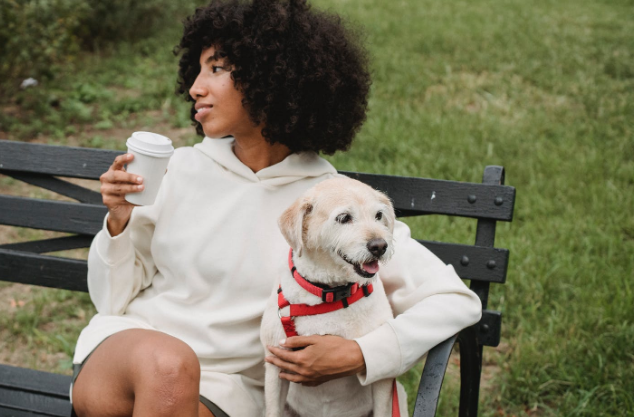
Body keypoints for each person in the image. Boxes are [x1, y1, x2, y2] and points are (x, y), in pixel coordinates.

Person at [70, 1, 482, 416]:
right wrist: (119, 222)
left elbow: (455, 301)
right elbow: (111, 300)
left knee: (174, 378)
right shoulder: (178, 169)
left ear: (271, 77)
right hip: (128, 355)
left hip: (226, 392)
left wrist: (361, 354)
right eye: (196, 70)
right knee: (169, 365)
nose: (196, 87)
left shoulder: (326, 205)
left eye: (216, 69)